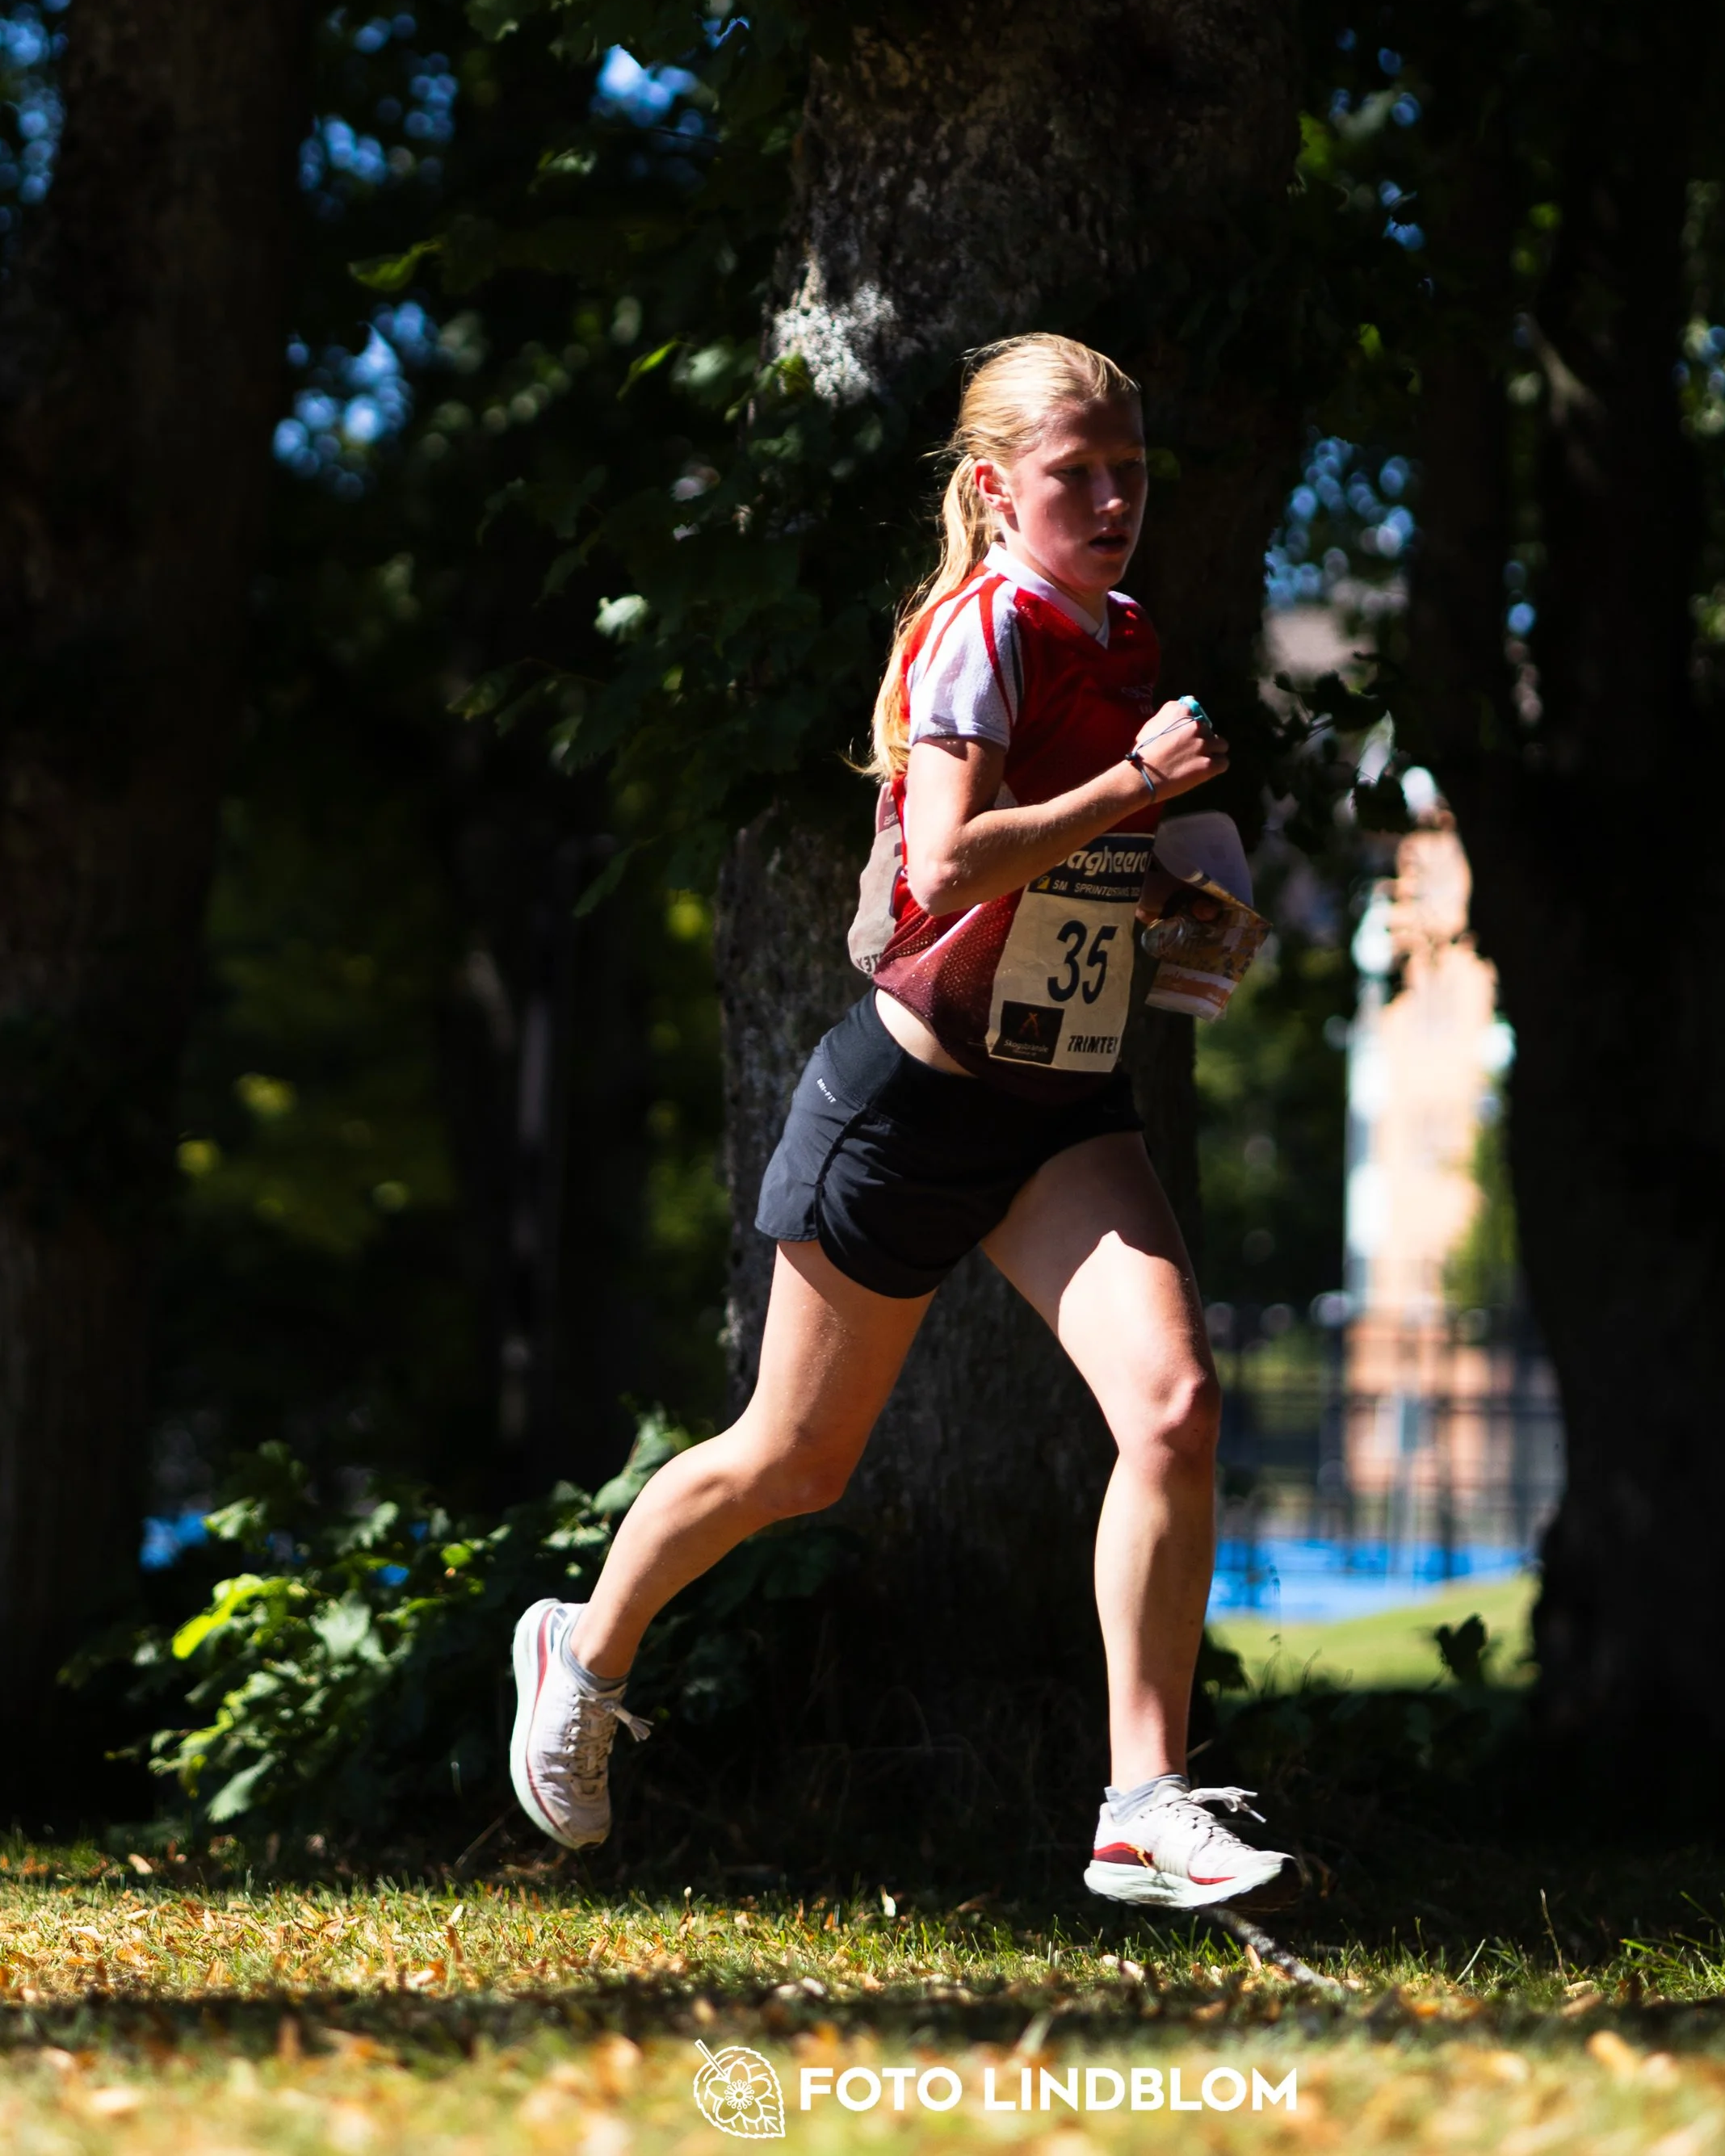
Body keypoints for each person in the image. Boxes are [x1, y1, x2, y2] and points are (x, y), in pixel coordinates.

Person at [509, 333, 1294, 1910]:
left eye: (1132, 469)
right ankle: (578, 1652)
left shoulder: (1123, 634)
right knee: (791, 1460)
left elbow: (1125, 838)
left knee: (1175, 1405)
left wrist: (1201, 894)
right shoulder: (977, 631)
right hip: (906, 1109)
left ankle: (1138, 1800)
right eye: (1079, 472)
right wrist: (1129, 785)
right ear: (996, 487)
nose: (1116, 497)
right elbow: (945, 865)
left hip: (1060, 1108)